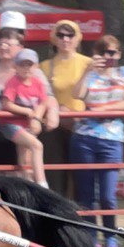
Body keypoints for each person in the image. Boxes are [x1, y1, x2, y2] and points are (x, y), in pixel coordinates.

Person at [72, 35, 124, 247]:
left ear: (119, 54)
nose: (108, 57)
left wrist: (103, 109)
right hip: (85, 137)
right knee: (87, 193)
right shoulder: (89, 74)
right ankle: (91, 236)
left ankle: (110, 234)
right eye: (103, 52)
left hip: (112, 138)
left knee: (108, 195)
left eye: (113, 52)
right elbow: (77, 94)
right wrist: (86, 70)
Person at [39, 19, 92, 197]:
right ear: (54, 38)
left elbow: (99, 92)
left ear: (78, 39)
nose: (66, 39)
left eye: (70, 35)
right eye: (61, 35)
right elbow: (41, 96)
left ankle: (81, 218)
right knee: (55, 175)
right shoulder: (45, 66)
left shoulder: (89, 63)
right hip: (54, 125)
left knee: (81, 176)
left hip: (83, 125)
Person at [0, 47, 54, 185]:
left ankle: (28, 184)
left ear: (35, 66)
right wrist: (28, 112)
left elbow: (43, 102)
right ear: (16, 66)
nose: (26, 68)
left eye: (30, 64)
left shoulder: (38, 83)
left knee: (26, 157)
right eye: (22, 64)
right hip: (11, 124)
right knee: (37, 146)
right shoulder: (13, 82)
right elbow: (7, 104)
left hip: (28, 124)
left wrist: (36, 118)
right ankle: (42, 184)